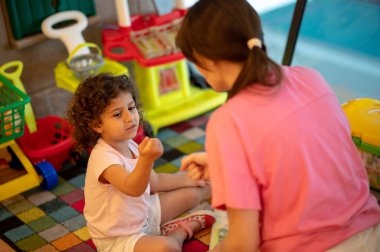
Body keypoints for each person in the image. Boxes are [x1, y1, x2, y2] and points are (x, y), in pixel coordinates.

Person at [177, 0, 380, 251]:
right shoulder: (310, 77)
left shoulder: (227, 121)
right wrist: (223, 164)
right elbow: (305, 156)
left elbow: (243, 244)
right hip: (371, 232)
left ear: (204, 59)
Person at [66, 73, 215, 252]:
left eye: (131, 108)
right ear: (97, 125)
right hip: (119, 237)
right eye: (117, 114)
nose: (130, 117)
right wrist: (146, 159)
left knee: (194, 192)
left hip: (143, 214)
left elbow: (154, 182)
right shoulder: (103, 159)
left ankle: (228, 193)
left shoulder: (129, 144)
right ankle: (179, 232)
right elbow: (133, 188)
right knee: (167, 248)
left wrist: (189, 179)